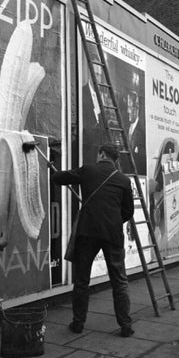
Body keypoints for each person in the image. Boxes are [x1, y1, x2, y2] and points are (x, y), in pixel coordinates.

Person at [53, 143, 135, 337]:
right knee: (119, 281)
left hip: (88, 232)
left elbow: (60, 178)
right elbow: (128, 211)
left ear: (101, 154)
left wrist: (52, 168)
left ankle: (78, 323)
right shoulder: (123, 180)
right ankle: (125, 325)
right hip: (112, 234)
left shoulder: (88, 170)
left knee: (82, 281)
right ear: (115, 159)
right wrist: (113, 220)